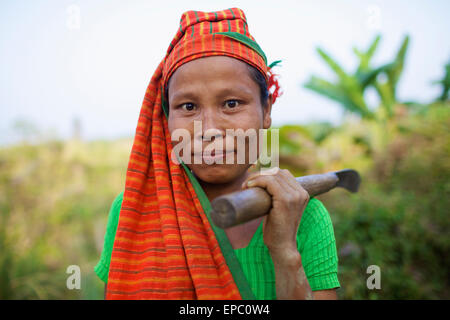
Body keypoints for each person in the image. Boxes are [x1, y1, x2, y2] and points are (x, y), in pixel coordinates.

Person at [94, 7, 340, 300]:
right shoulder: (133, 211)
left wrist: (285, 251)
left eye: (232, 103)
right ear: (165, 119)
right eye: (188, 107)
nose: (209, 129)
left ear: (266, 111)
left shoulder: (305, 215)